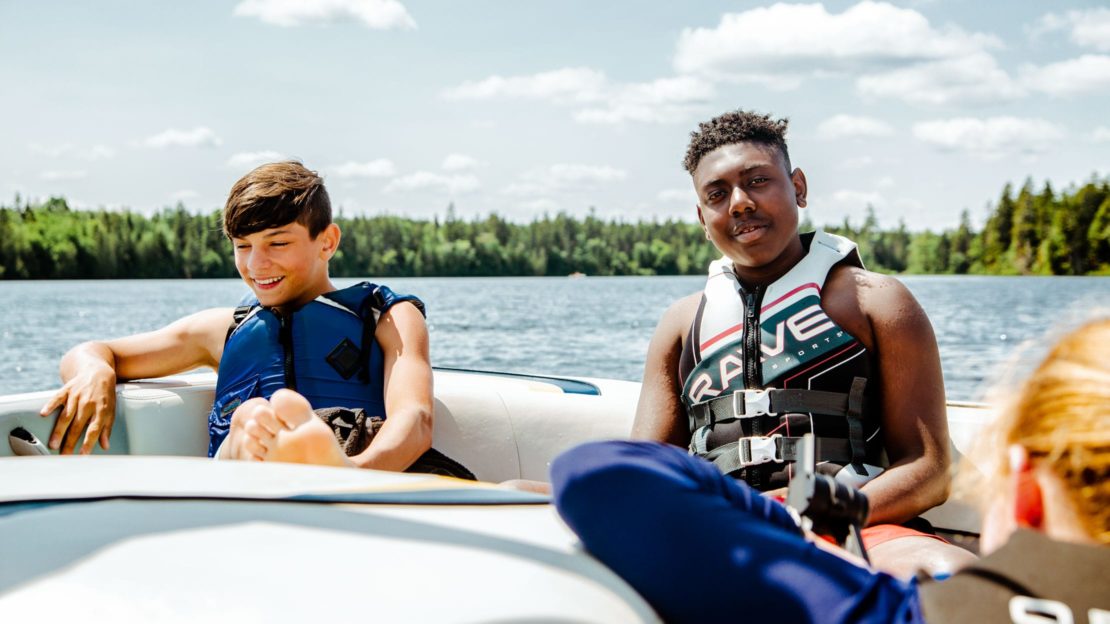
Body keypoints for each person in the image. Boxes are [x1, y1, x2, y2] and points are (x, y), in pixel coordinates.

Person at [552, 318, 1110, 623]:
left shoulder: (908, 615)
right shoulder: (680, 325)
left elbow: (601, 472)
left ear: (1027, 497)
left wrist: (792, 524)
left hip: (848, 523)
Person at [631, 109, 969, 575]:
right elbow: (645, 473)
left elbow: (930, 469)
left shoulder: (878, 303)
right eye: (717, 193)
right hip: (720, 533)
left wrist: (815, 522)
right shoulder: (680, 325)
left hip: (853, 525)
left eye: (757, 181)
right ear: (701, 217)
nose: (740, 203)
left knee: (955, 577)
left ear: (799, 187)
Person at [39, 161, 435, 471]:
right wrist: (95, 372)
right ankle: (281, 448)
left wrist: (353, 475)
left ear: (327, 241)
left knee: (273, 421)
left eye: (277, 243)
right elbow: (92, 351)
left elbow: (414, 420)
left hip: (351, 464)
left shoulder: (386, 316)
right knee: (251, 418)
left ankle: (311, 454)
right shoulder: (220, 330)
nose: (256, 264)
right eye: (242, 246)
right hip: (242, 482)